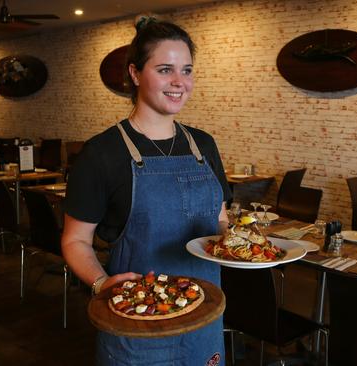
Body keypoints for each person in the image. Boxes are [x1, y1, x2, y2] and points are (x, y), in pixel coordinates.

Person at [61, 16, 231, 366]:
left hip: (205, 319)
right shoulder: (102, 153)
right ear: (136, 74)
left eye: (186, 70)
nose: (179, 82)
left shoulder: (204, 145)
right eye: (165, 69)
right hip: (137, 326)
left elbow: (219, 217)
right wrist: (100, 283)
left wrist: (237, 243)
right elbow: (75, 241)